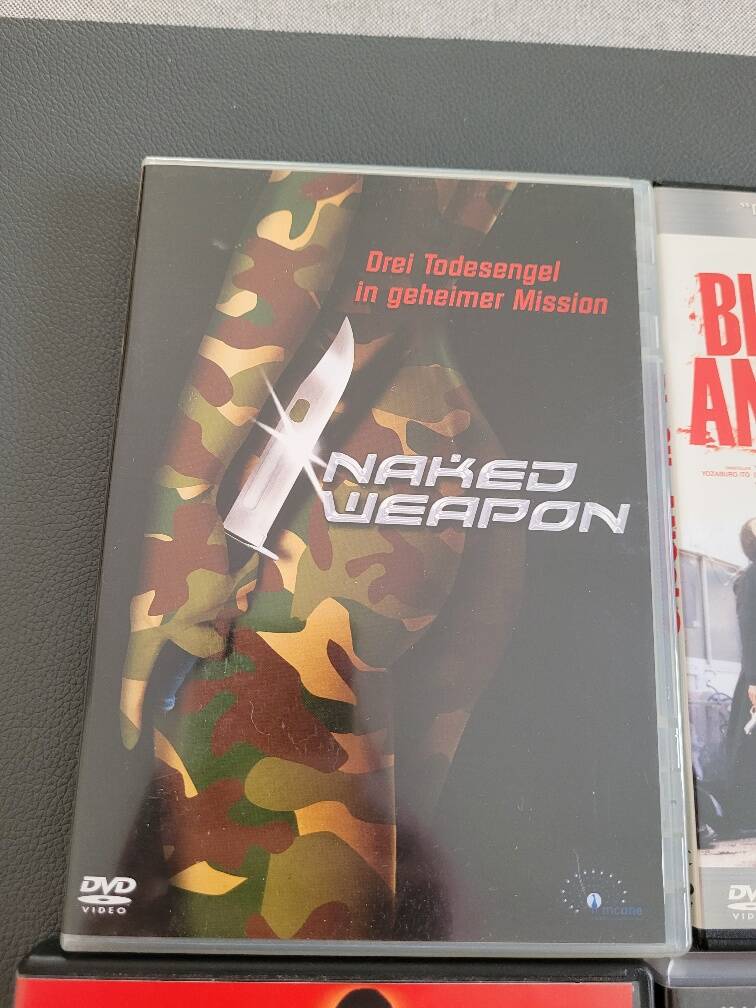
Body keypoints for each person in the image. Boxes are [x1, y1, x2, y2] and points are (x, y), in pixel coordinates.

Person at [725, 518, 756, 834]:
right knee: (748, 747)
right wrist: (754, 681)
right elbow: (750, 630)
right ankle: (745, 818)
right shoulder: (752, 578)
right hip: (755, 676)